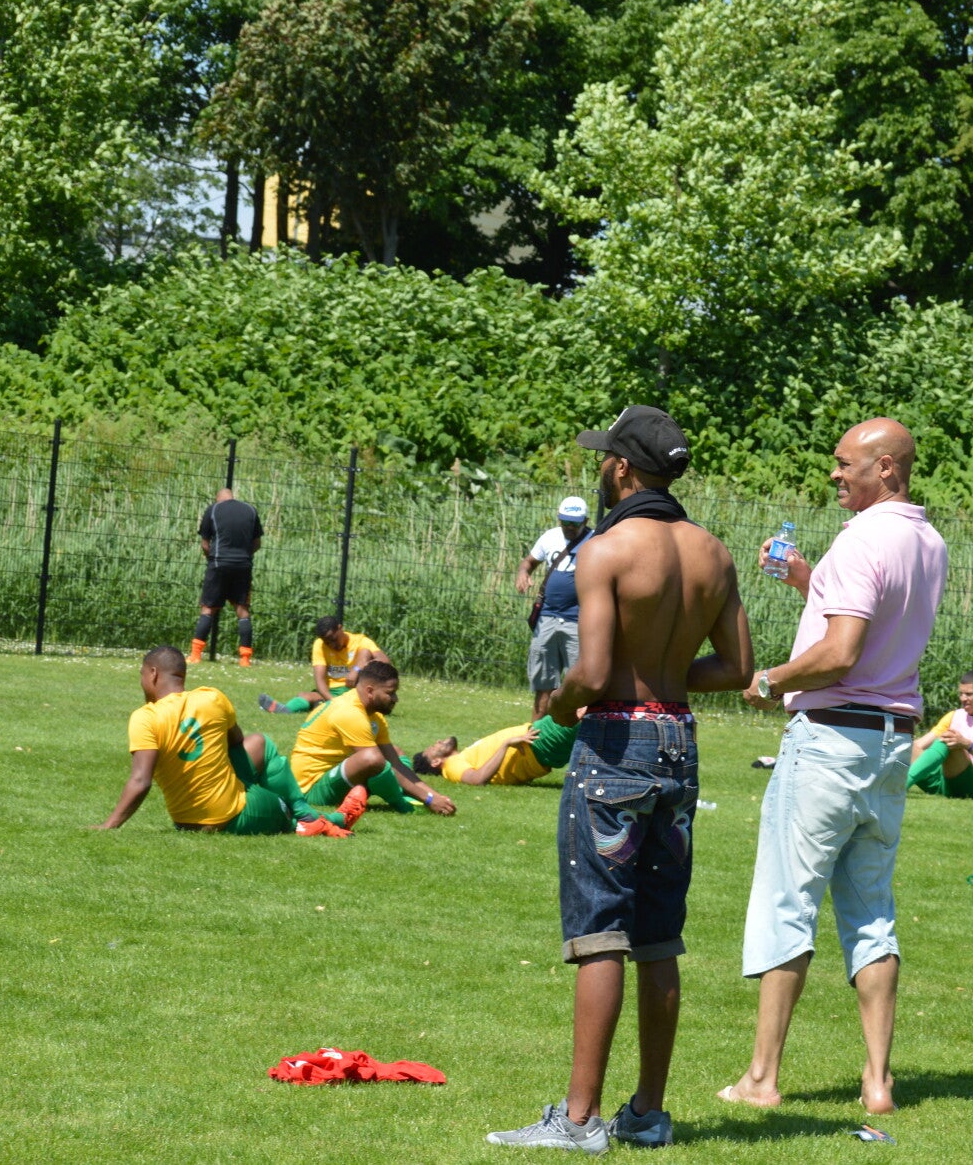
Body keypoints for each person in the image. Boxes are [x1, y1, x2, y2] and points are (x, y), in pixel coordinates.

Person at [488, 404, 751, 1153]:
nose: (600, 466)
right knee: (659, 934)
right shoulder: (713, 553)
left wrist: (559, 706)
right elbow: (738, 669)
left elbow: (594, 670)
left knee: (599, 930)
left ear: (624, 468)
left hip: (613, 744)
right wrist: (664, 676)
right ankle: (647, 1113)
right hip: (679, 743)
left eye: (606, 456)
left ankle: (578, 1121)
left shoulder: (605, 549)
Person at [719, 418, 947, 1117]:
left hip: (829, 740)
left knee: (787, 902)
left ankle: (761, 1078)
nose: (834, 473)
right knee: (871, 913)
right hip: (891, 744)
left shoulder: (860, 539)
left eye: (845, 463)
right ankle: (877, 1082)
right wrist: (805, 580)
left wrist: (771, 679)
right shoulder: (928, 540)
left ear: (886, 467)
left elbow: (842, 653)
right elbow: (872, 628)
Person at [92, 645, 352, 837]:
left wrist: (108, 825)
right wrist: (109, 826)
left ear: (152, 673)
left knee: (257, 743)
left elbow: (141, 780)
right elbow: (235, 741)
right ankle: (315, 816)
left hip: (186, 823)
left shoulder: (145, 718)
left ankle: (308, 814)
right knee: (264, 748)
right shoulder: (211, 698)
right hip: (233, 817)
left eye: (141, 675)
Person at [287, 660, 455, 817]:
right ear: (370, 691)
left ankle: (409, 793)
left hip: (335, 775)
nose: (395, 699)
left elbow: (394, 763)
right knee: (372, 759)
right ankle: (404, 805)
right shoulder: (349, 713)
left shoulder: (373, 715)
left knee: (393, 753)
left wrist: (435, 795)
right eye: (390, 693)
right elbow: (375, 762)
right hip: (311, 788)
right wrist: (428, 799)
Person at [516, 496, 593, 718]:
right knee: (543, 685)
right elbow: (529, 562)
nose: (569, 527)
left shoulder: (595, 541)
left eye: (574, 523)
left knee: (578, 687)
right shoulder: (550, 537)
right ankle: (536, 734)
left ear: (585, 521)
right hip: (547, 618)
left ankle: (572, 736)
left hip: (578, 621)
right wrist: (523, 573)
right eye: (564, 522)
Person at [907, 670, 973, 799]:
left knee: (950, 741)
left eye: (969, 694)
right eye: (961, 694)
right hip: (944, 781)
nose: (963, 698)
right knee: (904, 743)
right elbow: (919, 745)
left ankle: (901, 786)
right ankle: (887, 784)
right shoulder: (954, 716)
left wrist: (967, 744)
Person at [190, 488, 262, 666]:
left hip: (218, 564)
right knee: (242, 609)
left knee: (208, 608)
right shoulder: (250, 510)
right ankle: (245, 658)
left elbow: (205, 544)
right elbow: (257, 543)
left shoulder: (213, 509)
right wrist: (244, 556)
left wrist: (212, 559)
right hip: (243, 565)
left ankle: (195, 655)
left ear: (218, 498)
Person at [256, 616, 387, 714]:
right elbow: (320, 682)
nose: (331, 645)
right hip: (333, 691)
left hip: (354, 690)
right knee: (305, 696)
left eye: (333, 639)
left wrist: (357, 668)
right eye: (327, 642)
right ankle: (285, 710)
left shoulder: (360, 641)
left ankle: (321, 705)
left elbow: (385, 661)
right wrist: (334, 702)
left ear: (340, 628)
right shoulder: (320, 645)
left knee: (365, 653)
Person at [409, 715, 578, 786]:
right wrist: (506, 744)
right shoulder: (451, 766)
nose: (438, 742)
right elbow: (477, 779)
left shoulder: (462, 757)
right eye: (433, 748)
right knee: (581, 706)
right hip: (540, 742)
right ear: (436, 762)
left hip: (538, 741)